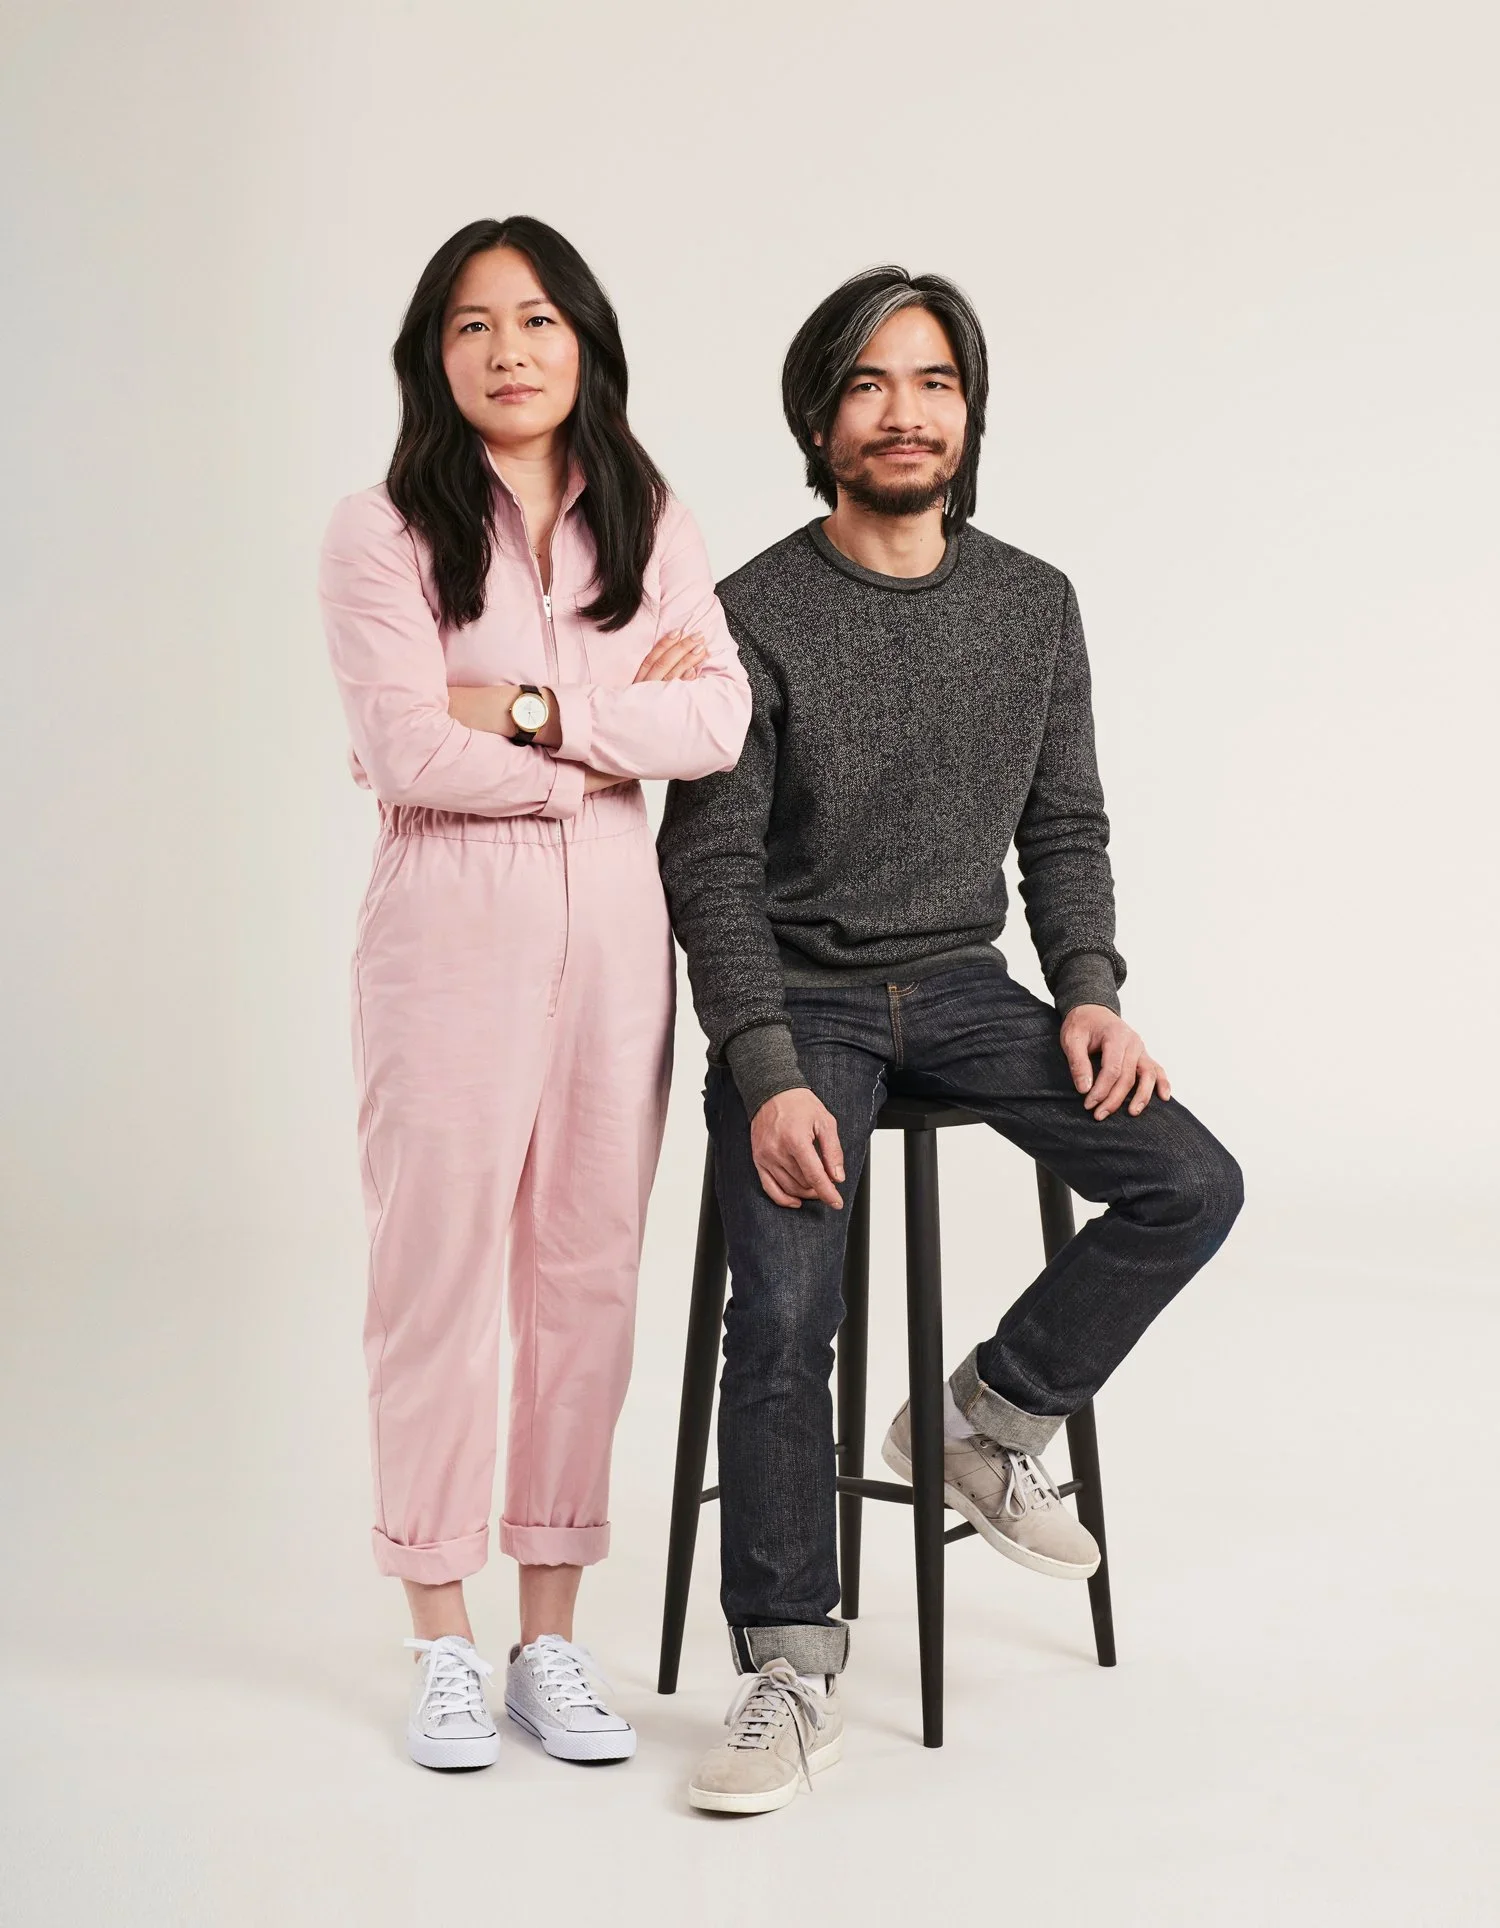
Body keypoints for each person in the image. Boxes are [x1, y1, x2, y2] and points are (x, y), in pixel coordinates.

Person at [657, 265, 1243, 1814]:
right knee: (786, 1316)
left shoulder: (1032, 604)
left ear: (970, 413)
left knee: (1192, 1181)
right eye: (868, 384)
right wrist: (764, 1069)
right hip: (803, 1003)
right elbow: (708, 869)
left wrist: (1092, 989)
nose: (904, 412)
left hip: (968, 990)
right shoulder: (752, 615)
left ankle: (985, 1416)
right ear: (819, 422)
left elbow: (1065, 826)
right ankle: (792, 1666)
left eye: (933, 382)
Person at [319, 216, 750, 1771]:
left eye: (539, 319)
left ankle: (547, 1639)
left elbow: (715, 719)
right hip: (447, 923)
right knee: (434, 1268)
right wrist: (595, 741)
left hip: (620, 933)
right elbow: (401, 747)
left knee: (587, 1274)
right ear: (433, 356)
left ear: (586, 342)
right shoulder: (381, 533)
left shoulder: (650, 518)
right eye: (473, 325)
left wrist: (514, 708)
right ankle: (441, 1632)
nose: (509, 350)